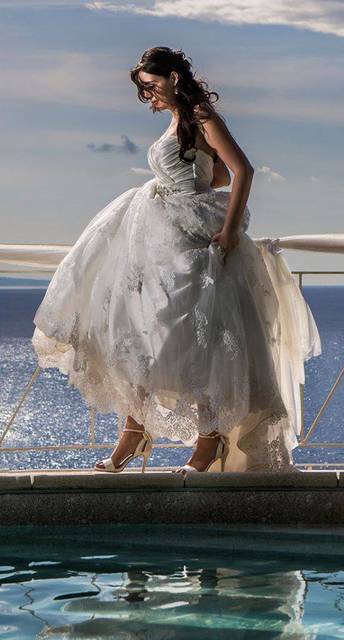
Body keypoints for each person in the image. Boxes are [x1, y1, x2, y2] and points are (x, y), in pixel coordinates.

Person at [31, 46, 321, 474]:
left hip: (196, 239)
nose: (148, 96)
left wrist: (227, 231)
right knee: (141, 337)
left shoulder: (201, 114)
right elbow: (214, 173)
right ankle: (134, 431)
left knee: (195, 343)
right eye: (143, 90)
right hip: (162, 238)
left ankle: (208, 441)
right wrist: (190, 178)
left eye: (151, 86)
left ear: (174, 77)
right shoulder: (179, 123)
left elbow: (241, 171)